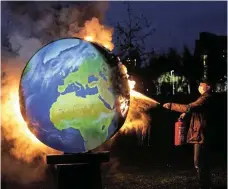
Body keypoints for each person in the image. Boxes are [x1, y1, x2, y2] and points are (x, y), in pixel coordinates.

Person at [163, 79, 214, 189]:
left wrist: (171, 106)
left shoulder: (206, 98)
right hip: (201, 133)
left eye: (202, 85)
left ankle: (204, 185)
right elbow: (193, 109)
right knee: (202, 161)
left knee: (199, 162)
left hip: (201, 134)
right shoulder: (204, 98)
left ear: (208, 87)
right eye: (199, 85)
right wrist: (185, 114)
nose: (199, 87)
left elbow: (190, 107)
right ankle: (206, 184)